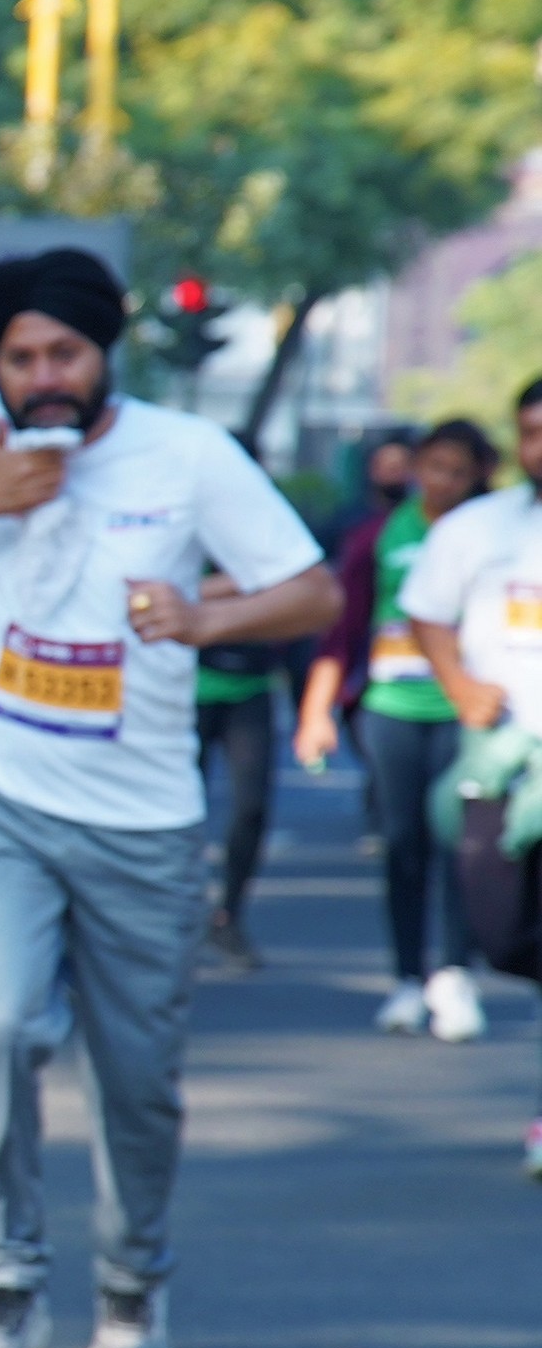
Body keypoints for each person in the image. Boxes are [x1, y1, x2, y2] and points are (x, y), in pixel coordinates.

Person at [0, 248, 339, 1348]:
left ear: (103, 352)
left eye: (63, 353)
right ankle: (3, 1284)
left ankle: (132, 1279)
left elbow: (313, 590)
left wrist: (203, 619)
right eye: (20, 357)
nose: (43, 376)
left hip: (147, 823)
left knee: (138, 1082)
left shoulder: (189, 454)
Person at [295, 418, 498, 1039]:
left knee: (461, 845)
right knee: (404, 842)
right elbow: (343, 628)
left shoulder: (492, 535)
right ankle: (408, 977)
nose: (442, 482)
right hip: (392, 707)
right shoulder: (380, 536)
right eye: (433, 468)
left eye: (457, 472)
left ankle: (455, 974)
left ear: (478, 475)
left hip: (467, 713)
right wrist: (317, 709)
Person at [395, 378, 542, 1181]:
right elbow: (425, 610)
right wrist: (456, 682)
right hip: (500, 757)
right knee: (502, 931)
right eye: (530, 432)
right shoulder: (477, 529)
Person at [192, 619, 281, 970]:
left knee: (252, 807)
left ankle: (228, 916)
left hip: (252, 687)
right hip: (188, 689)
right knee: (182, 811)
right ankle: (180, 912)